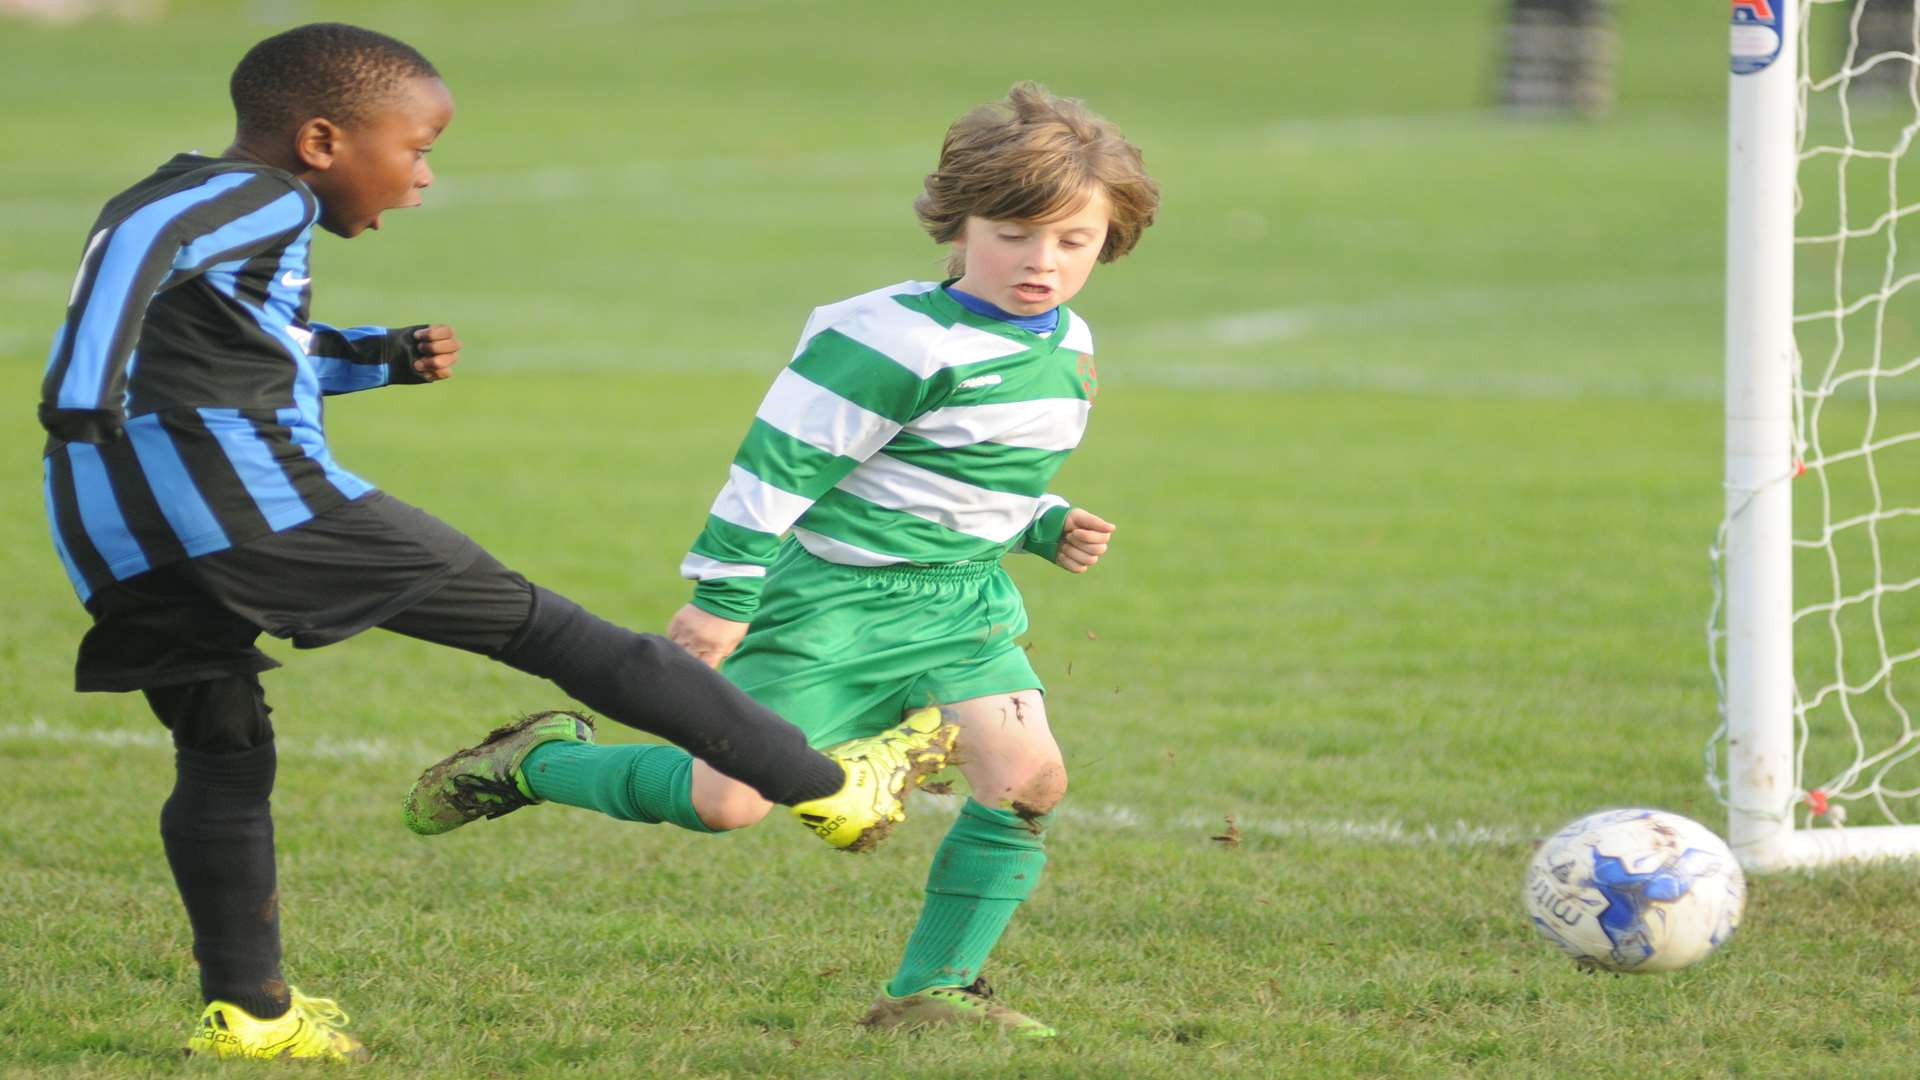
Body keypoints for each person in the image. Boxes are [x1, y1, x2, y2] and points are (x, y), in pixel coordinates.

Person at [38, 22, 952, 1063]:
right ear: (324, 140)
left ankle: (251, 1012)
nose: (424, 178)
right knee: (563, 636)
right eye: (416, 148)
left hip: (115, 529)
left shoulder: (240, 210)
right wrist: (76, 387)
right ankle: (833, 792)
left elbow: (231, 347)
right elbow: (132, 243)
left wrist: (375, 359)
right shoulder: (257, 193)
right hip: (255, 506)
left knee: (224, 755)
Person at [416, 81, 1159, 1037]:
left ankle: (931, 992)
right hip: (831, 606)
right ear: (960, 220)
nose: (1041, 263)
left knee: (1028, 781)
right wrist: (725, 596)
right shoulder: (889, 339)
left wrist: (1039, 523)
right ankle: (534, 763)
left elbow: (967, 471)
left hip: (960, 603)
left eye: (1074, 241)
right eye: (1013, 232)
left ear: (1111, 241)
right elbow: (777, 470)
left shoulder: (1070, 342)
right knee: (725, 802)